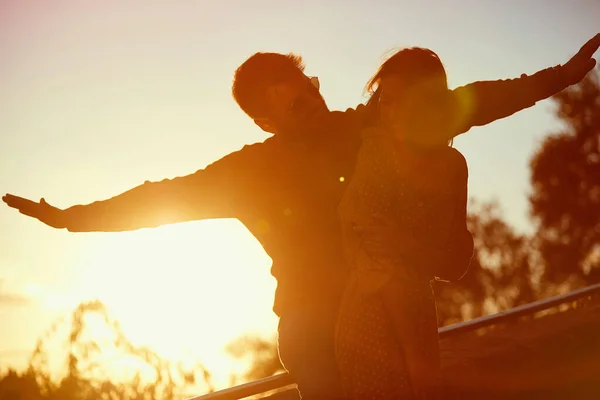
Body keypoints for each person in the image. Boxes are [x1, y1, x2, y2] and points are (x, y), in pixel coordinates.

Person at [3, 34, 599, 400]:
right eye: (294, 99)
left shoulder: (359, 125)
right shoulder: (248, 172)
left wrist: (563, 78)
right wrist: (69, 220)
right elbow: (160, 197)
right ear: (265, 119)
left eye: (310, 85)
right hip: (315, 324)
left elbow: (453, 105)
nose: (313, 98)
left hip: (389, 303)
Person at [336, 48, 473, 400]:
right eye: (385, 101)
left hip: (419, 315)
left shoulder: (452, 166)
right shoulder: (375, 155)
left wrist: (407, 246)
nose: (389, 112)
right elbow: (379, 264)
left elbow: (456, 262)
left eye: (403, 101)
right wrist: (416, 360)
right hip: (372, 319)